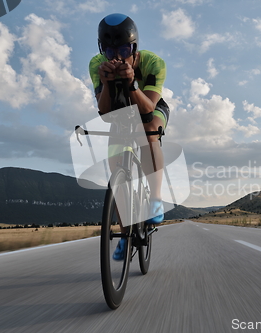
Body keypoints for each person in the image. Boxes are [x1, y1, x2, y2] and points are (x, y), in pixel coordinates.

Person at [89, 13, 169, 260]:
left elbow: (147, 109)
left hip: (150, 106)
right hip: (119, 113)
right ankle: (125, 235)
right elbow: (104, 113)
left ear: (134, 48)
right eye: (110, 51)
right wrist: (105, 81)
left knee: (148, 133)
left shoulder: (153, 63)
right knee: (117, 176)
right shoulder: (96, 65)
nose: (117, 57)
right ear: (102, 49)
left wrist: (132, 84)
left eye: (124, 49)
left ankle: (155, 200)